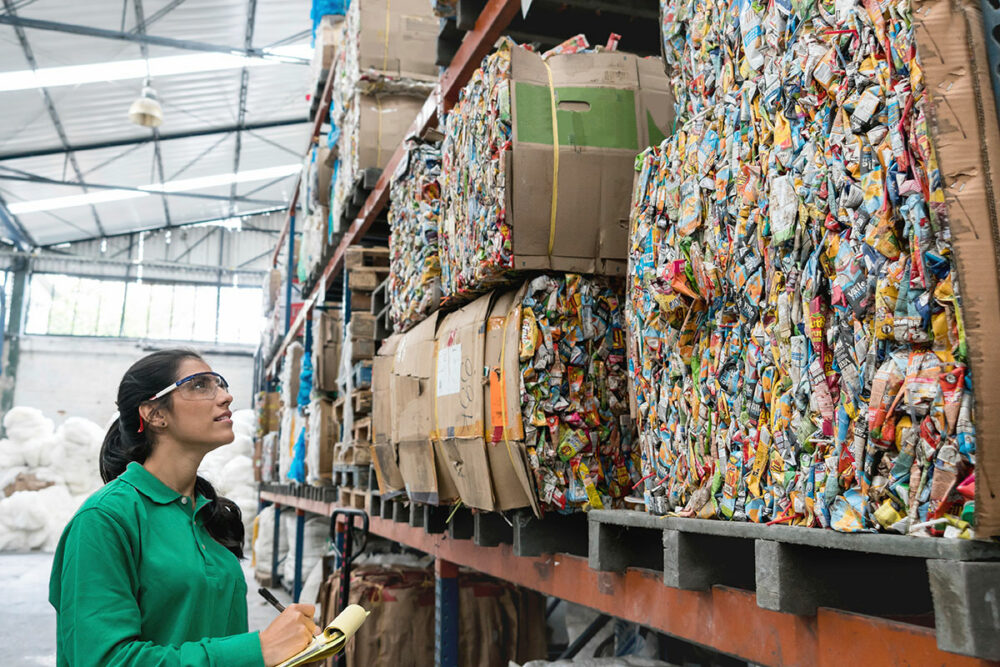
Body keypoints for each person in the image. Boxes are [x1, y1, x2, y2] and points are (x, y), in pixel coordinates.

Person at [49, 349, 317, 666]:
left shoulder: (207, 516)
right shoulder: (105, 520)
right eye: (200, 386)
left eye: (221, 384)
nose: (227, 397)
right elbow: (104, 659)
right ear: (154, 414)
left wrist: (284, 654)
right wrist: (258, 649)